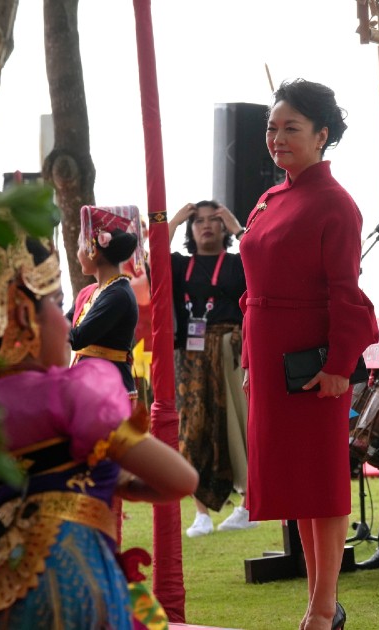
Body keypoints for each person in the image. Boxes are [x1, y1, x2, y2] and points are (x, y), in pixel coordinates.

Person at [0, 236, 198, 629]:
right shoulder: (72, 396)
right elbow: (181, 479)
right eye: (55, 304)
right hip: (71, 580)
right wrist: (122, 484)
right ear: (24, 319)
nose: (67, 322)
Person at [239, 78, 378, 630]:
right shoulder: (269, 197)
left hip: (312, 359)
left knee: (321, 479)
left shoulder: (336, 204)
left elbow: (346, 290)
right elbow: (254, 290)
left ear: (322, 135)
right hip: (268, 353)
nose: (277, 137)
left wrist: (339, 366)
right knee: (295, 481)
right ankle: (318, 603)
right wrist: (249, 362)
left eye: (290, 128)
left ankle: (325, 603)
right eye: (272, 127)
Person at [166, 200, 256, 537]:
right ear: (190, 229)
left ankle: (248, 505)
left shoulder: (236, 263)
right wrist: (174, 220)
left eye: (213, 220)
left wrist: (238, 227)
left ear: (223, 227)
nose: (206, 225)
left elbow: (264, 259)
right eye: (198, 221)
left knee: (239, 427)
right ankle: (200, 512)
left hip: (231, 353)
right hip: (190, 360)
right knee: (192, 432)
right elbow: (149, 259)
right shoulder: (180, 265)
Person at [68, 206, 142, 397]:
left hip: (110, 391)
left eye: (80, 246)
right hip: (91, 385)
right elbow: (65, 326)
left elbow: (77, 338)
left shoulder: (118, 295)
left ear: (94, 250)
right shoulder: (89, 292)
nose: (78, 253)